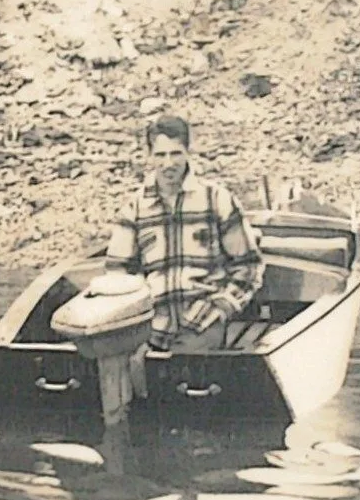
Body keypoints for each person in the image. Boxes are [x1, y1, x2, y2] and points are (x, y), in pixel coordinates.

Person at [104, 113, 264, 349]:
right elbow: (117, 275)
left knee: (189, 379)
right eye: (160, 155)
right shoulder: (134, 208)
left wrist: (222, 306)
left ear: (188, 151)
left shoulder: (216, 199)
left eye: (176, 153)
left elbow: (248, 266)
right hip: (151, 327)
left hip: (203, 323)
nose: (168, 164)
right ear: (149, 156)